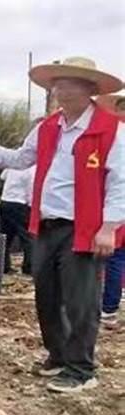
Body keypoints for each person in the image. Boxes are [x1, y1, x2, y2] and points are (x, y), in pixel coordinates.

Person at [0, 56, 125, 393]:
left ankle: (81, 368)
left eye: (66, 81)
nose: (57, 88)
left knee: (81, 299)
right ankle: (58, 356)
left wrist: (109, 227)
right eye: (56, 82)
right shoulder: (48, 127)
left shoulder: (111, 130)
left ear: (89, 89)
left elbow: (121, 182)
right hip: (45, 224)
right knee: (47, 295)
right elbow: (21, 159)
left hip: (82, 228)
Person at [96, 92, 125, 329]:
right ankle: (109, 308)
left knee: (113, 257)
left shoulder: (115, 134)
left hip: (115, 204)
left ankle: (107, 308)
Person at [0, 165, 35, 275]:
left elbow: (2, 176)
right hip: (19, 203)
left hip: (5, 202)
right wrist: (31, 206)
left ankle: (2, 266)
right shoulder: (31, 169)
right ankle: (29, 267)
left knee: (5, 237)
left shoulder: (13, 164)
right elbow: (31, 189)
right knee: (27, 238)